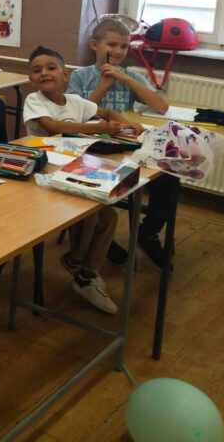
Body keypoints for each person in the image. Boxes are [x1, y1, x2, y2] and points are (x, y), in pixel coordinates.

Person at [23, 45, 140, 314]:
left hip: (75, 171)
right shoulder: (35, 100)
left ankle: (87, 274)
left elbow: (106, 113)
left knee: (108, 217)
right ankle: (76, 260)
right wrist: (98, 128)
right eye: (37, 70)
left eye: (51, 68)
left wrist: (126, 124)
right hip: (44, 174)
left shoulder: (75, 101)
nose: (44, 73)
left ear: (65, 75)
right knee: (91, 214)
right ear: (31, 79)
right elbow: (53, 127)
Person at [68, 18, 178, 269]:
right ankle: (100, 238)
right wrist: (103, 85)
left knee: (170, 177)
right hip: (92, 144)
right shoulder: (80, 76)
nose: (118, 51)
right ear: (94, 45)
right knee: (102, 180)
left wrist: (125, 79)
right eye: (112, 45)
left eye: (124, 46)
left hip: (126, 144)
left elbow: (161, 106)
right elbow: (77, 117)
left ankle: (147, 232)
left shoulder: (130, 75)